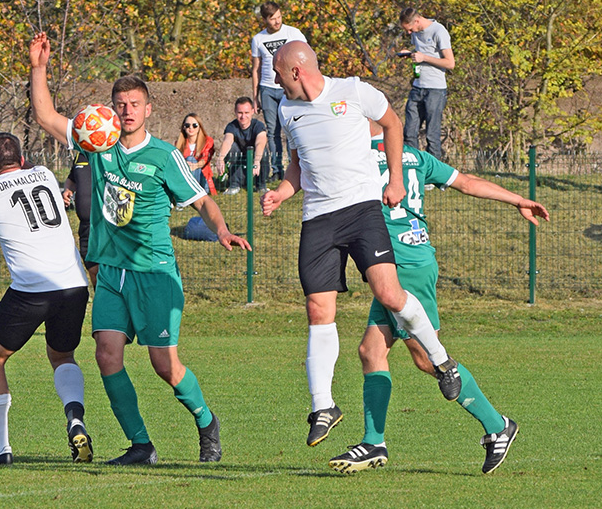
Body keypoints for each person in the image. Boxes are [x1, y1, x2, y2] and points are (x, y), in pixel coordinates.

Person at [29, 32, 251, 466]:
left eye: (134, 104)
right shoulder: (98, 143)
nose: (127, 111)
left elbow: (202, 201)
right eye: (121, 104)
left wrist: (222, 230)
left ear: (148, 109)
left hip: (154, 273)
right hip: (111, 272)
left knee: (165, 367)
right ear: (113, 110)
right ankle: (141, 445)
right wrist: (39, 66)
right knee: (106, 355)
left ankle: (206, 421)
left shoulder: (165, 156)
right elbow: (45, 115)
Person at [260, 41, 462, 452]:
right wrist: (282, 192)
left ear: (296, 71)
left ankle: (442, 360)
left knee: (389, 294)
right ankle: (323, 405)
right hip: (318, 218)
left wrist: (396, 179)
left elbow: (393, 125)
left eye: (278, 74)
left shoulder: (353, 90)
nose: (275, 82)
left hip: (362, 211)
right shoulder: (286, 110)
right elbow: (297, 165)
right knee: (318, 309)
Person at [327, 121, 550, 475]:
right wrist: (517, 199)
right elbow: (468, 182)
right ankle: (373, 441)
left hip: (404, 267)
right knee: (371, 351)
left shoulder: (359, 157)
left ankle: (497, 425)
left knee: (426, 358)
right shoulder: (415, 156)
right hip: (404, 263)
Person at [0, 133, 92, 466]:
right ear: (21, 160)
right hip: (74, 285)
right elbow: (27, 169)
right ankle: (76, 420)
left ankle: (0, 449)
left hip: (31, 289)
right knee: (62, 355)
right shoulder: (45, 175)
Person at [251, 1, 307, 181]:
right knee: (272, 131)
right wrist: (255, 97)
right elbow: (256, 69)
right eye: (273, 19)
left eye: (279, 17)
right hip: (267, 88)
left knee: (291, 127)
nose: (277, 21)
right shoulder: (258, 39)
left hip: (288, 88)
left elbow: (306, 56)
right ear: (265, 20)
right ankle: (277, 170)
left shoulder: (293, 33)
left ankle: (296, 166)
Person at [398, 7, 455, 161]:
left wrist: (424, 58)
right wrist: (410, 54)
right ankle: (412, 166)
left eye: (410, 29)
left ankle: (433, 171)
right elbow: (421, 53)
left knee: (432, 134)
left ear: (417, 21)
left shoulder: (439, 31)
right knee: (409, 132)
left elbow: (450, 63)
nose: (409, 33)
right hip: (417, 87)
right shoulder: (415, 33)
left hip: (435, 90)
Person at [62, 151, 99, 288]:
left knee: (104, 271)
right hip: (85, 227)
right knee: (92, 269)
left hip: (104, 226)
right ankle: (100, 298)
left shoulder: (110, 153)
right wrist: (68, 190)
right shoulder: (80, 155)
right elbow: (72, 179)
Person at [216, 97, 268, 194]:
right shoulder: (231, 126)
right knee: (232, 149)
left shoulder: (259, 125)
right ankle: (234, 185)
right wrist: (220, 158)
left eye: (246, 113)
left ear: (252, 111)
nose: (243, 116)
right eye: (240, 113)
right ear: (235, 112)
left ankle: (261, 185)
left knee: (263, 152)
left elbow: (260, 142)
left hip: (254, 157)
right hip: (238, 159)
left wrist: (256, 161)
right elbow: (227, 140)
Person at [175, 113, 216, 196]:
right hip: (185, 178)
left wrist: (195, 166)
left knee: (190, 159)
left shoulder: (208, 141)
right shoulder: (179, 143)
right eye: (187, 125)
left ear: (199, 126)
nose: (191, 128)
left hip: (202, 181)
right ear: (183, 127)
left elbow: (205, 159)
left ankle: (188, 194)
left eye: (194, 125)